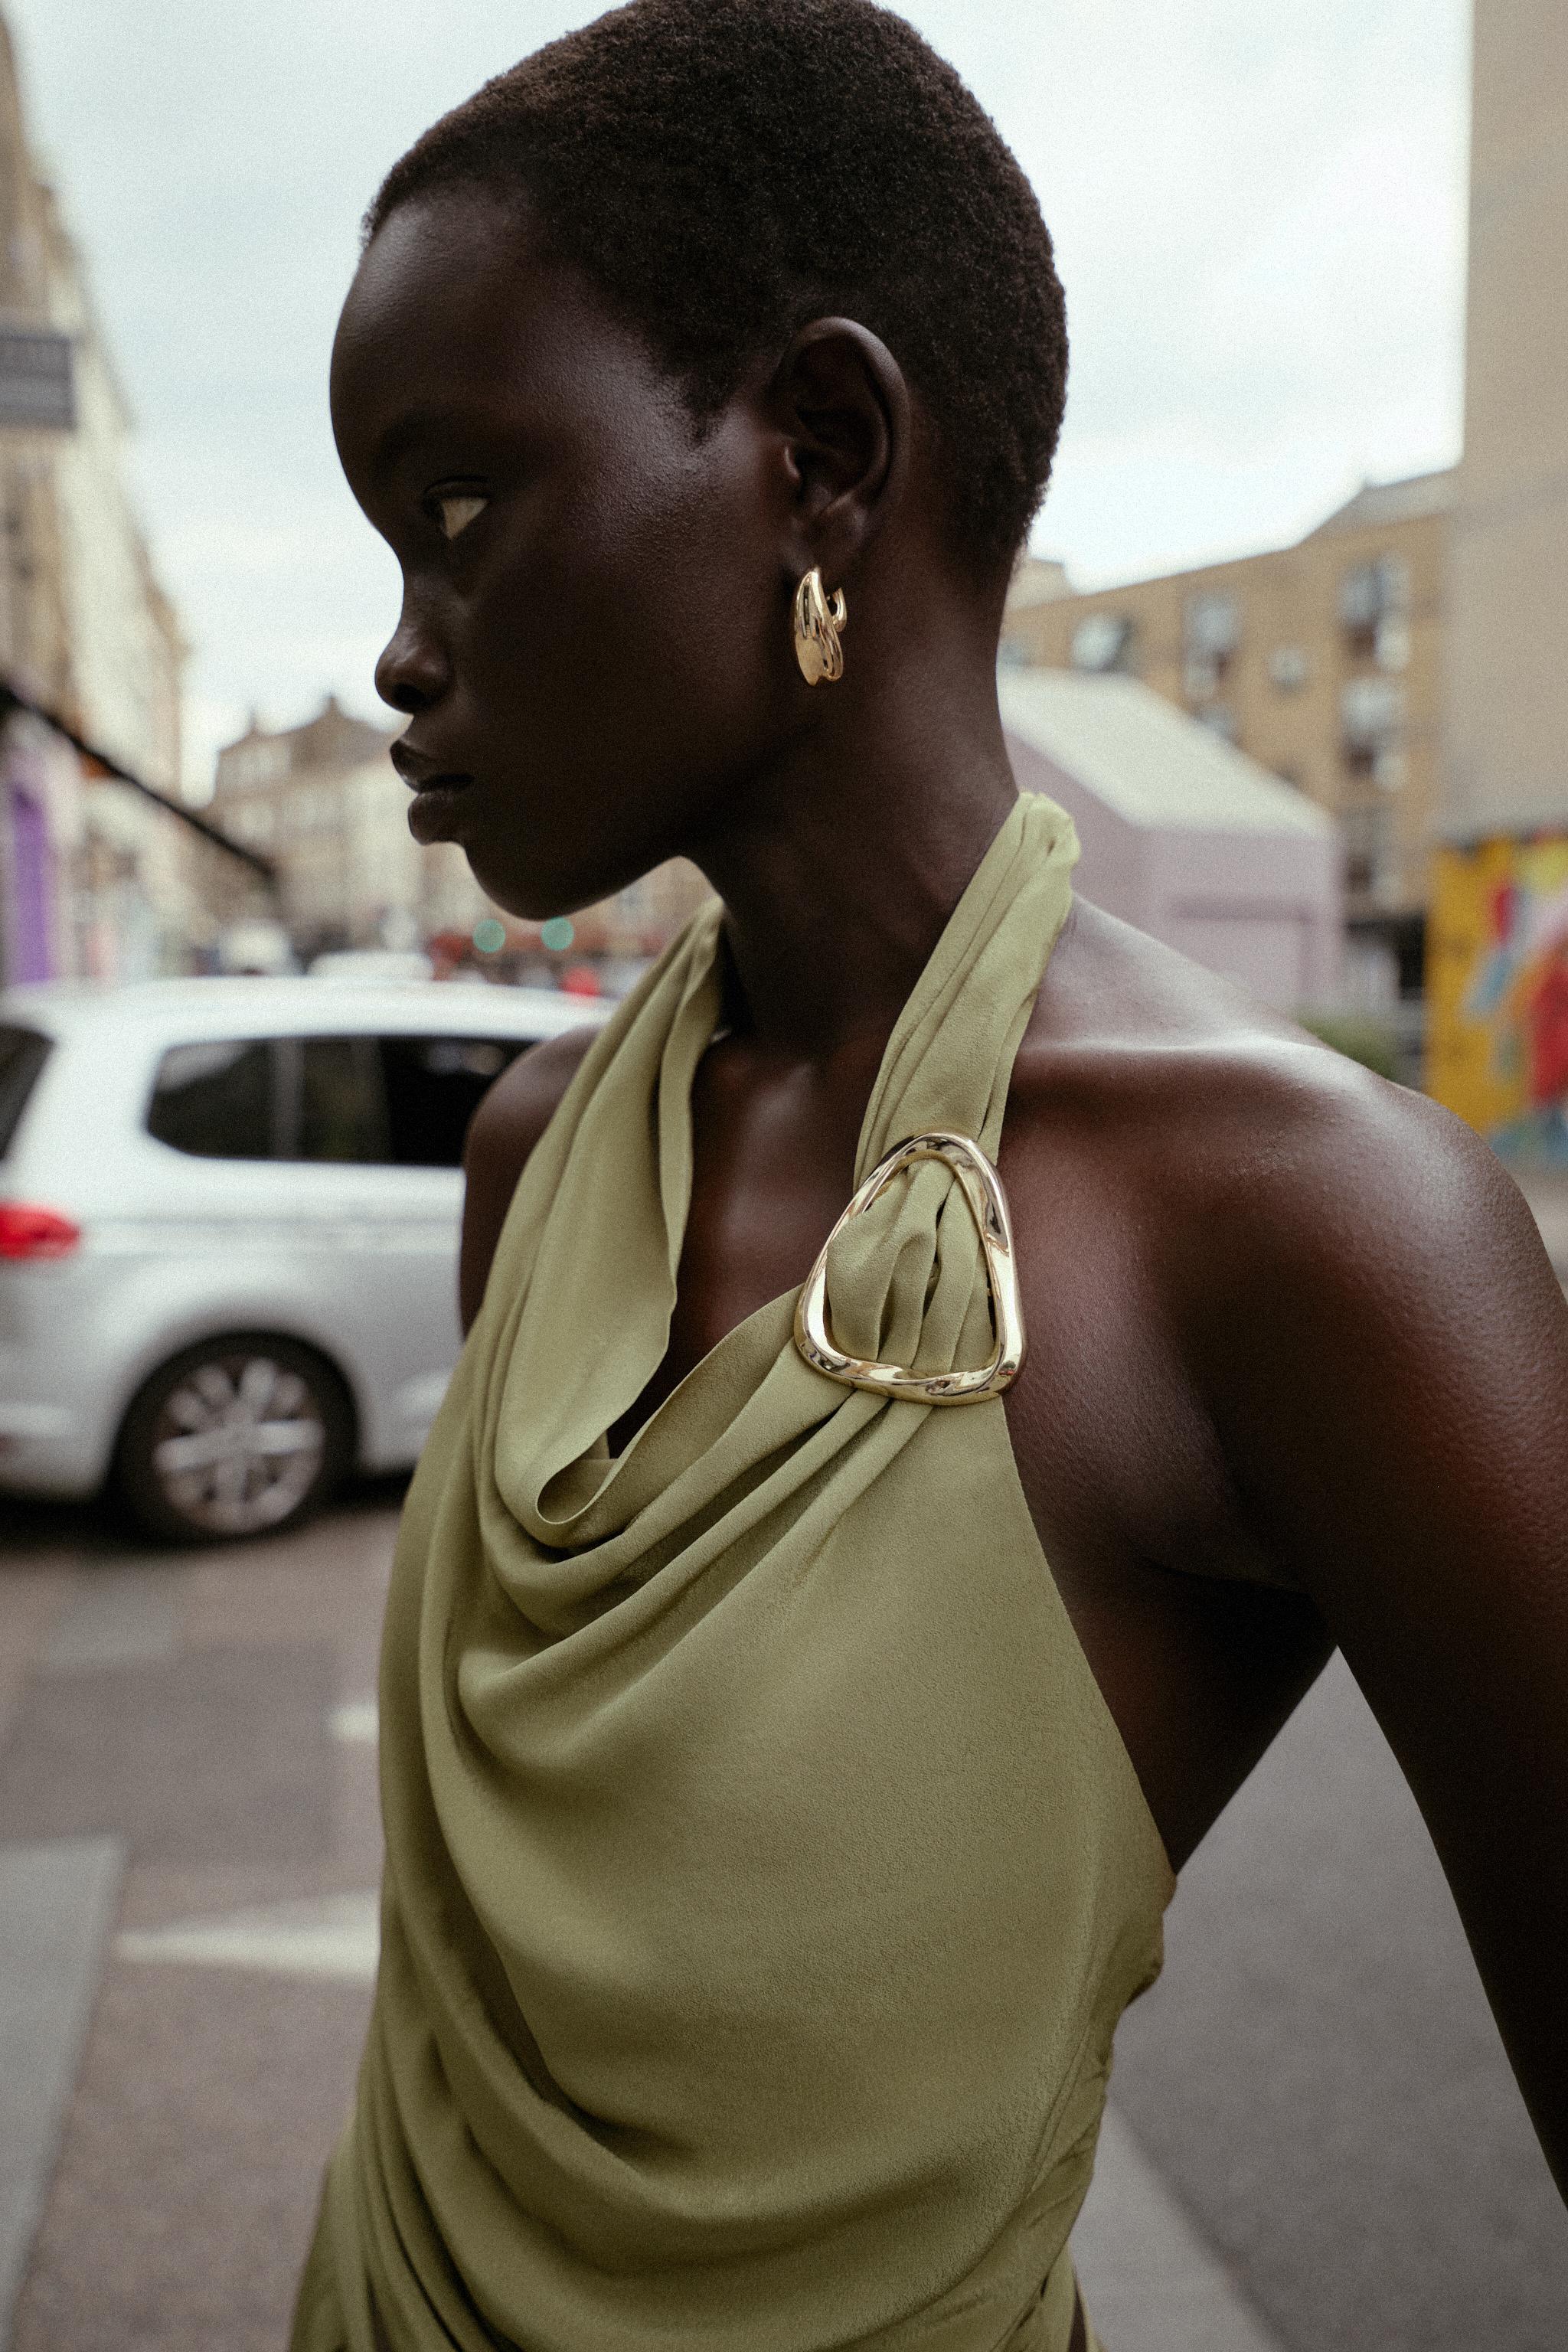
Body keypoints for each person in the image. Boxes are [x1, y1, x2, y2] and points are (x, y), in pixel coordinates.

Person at [299, 3, 1568, 2345]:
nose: (398, 652)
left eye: (461, 508)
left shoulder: (1296, 1230)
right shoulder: (538, 1154)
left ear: (823, 457)